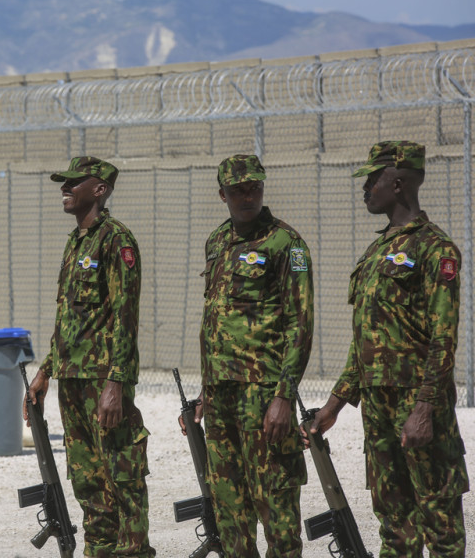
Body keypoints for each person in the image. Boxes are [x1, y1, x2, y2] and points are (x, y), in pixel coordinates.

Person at [309, 141, 469, 557]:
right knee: (394, 523)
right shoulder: (377, 251)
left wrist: (423, 409)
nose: (365, 188)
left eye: (372, 179)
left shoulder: (436, 250)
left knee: (440, 523)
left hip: (417, 404)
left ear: (397, 183)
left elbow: (443, 338)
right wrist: (335, 404)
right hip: (378, 407)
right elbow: (366, 339)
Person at [182, 154, 314, 556]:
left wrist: (283, 396)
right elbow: (215, 322)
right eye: (238, 189)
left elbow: (300, 324)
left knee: (275, 503)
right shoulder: (218, 241)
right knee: (229, 507)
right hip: (220, 396)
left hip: (264, 396)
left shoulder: (285, 243)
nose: (247, 196)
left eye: (253, 187)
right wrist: (205, 394)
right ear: (222, 193)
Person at [24, 156, 155, 558]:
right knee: (88, 482)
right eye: (63, 182)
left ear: (99, 189)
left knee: (122, 479)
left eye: (73, 182)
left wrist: (115, 385)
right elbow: (69, 321)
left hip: (102, 383)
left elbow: (124, 316)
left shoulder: (117, 240)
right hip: (73, 381)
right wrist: (45, 372)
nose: (65, 188)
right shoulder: (77, 241)